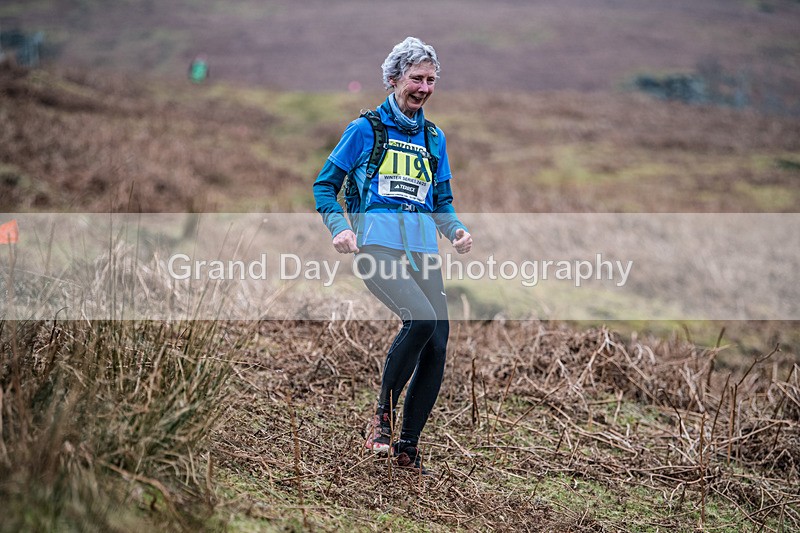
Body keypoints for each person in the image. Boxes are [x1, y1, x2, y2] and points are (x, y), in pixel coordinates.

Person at [313, 37, 472, 474]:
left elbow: (441, 199)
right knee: (420, 320)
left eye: (431, 80)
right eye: (416, 78)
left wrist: (455, 229)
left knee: (437, 344)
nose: (424, 87)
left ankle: (407, 447)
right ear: (393, 79)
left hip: (423, 252)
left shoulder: (434, 137)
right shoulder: (364, 129)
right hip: (377, 248)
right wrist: (340, 226)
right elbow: (324, 186)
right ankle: (380, 415)